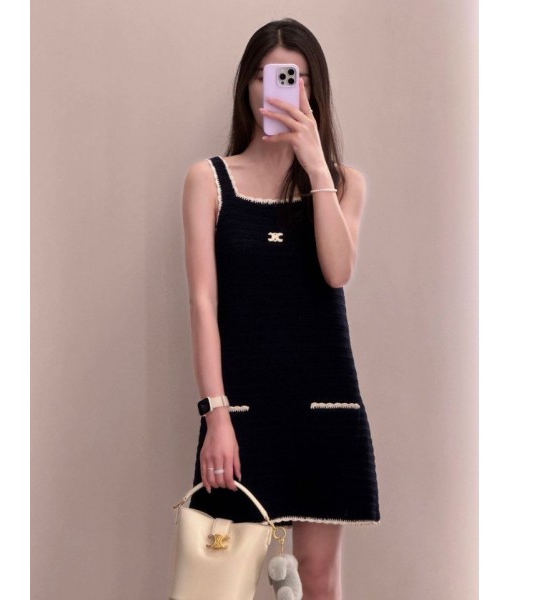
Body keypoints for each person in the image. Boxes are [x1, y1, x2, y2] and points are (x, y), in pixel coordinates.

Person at [181, 18, 380, 600]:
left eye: (297, 79)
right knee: (222, 581)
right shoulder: (208, 180)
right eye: (267, 78)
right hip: (240, 410)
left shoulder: (343, 183)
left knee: (318, 578)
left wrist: (316, 167)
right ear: (247, 86)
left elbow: (337, 272)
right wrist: (216, 416)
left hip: (324, 405)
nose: (281, 91)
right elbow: (203, 302)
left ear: (315, 91)